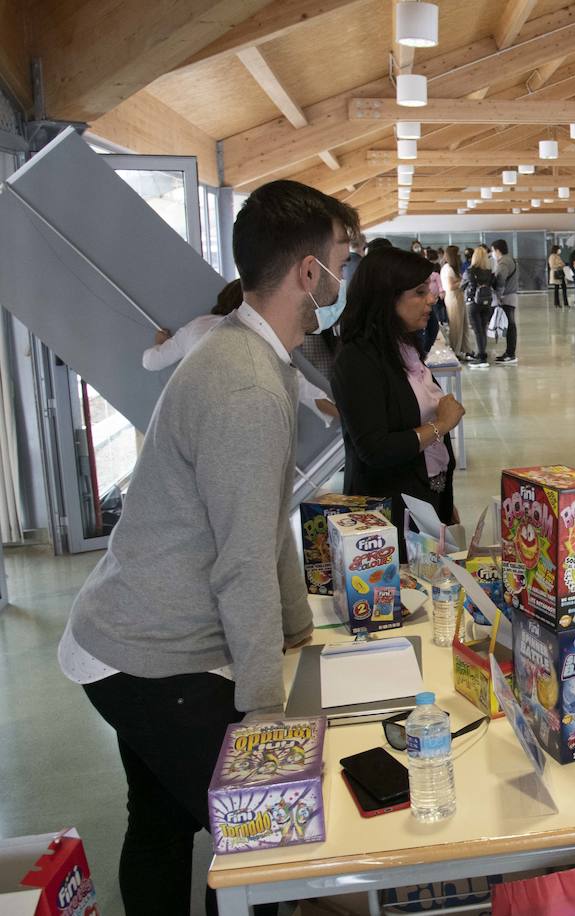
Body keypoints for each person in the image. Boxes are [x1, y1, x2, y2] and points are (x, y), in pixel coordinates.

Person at [61, 179, 358, 916]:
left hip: (131, 632)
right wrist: (264, 717)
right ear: (307, 274)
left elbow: (262, 520)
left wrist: (295, 633)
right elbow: (242, 564)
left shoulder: (250, 356)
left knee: (161, 821)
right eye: (342, 260)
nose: (344, 278)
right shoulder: (247, 388)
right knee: (255, 842)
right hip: (149, 652)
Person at [331, 247, 464, 561]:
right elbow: (375, 448)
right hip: (390, 515)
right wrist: (440, 425)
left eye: (428, 290)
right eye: (419, 292)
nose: (431, 299)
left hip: (426, 501)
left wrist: (443, 500)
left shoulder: (404, 347)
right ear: (385, 297)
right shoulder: (358, 360)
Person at [144, 279, 338, 425]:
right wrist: (346, 416)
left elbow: (151, 362)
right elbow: (305, 391)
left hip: (198, 418)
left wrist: (161, 343)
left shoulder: (196, 327)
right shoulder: (263, 340)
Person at [462, 245, 497, 368]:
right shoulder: (489, 272)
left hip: (473, 303)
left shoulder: (470, 271)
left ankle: (481, 357)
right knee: (483, 329)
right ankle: (482, 354)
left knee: (477, 331)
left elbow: (462, 286)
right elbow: (494, 285)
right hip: (487, 303)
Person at [441, 245, 472, 359]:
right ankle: (455, 351)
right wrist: (463, 281)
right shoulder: (448, 268)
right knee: (456, 325)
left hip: (459, 297)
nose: (460, 256)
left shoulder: (454, 268)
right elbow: (450, 286)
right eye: (458, 254)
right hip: (453, 298)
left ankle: (466, 349)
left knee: (464, 324)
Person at [490, 238, 519, 364]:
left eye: (492, 251)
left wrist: (498, 296)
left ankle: (510, 354)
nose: (492, 254)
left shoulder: (504, 263)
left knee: (510, 325)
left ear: (497, 250)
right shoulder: (510, 259)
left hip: (506, 297)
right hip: (510, 296)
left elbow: (500, 280)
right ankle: (510, 353)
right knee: (510, 325)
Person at [548, 244, 569, 309]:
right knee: (556, 289)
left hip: (561, 273)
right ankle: (556, 303)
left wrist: (561, 265)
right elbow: (552, 266)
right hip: (556, 274)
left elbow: (563, 263)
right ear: (556, 249)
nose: (559, 250)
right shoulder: (552, 256)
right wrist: (560, 265)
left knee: (564, 288)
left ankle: (566, 303)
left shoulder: (558, 256)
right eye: (558, 249)